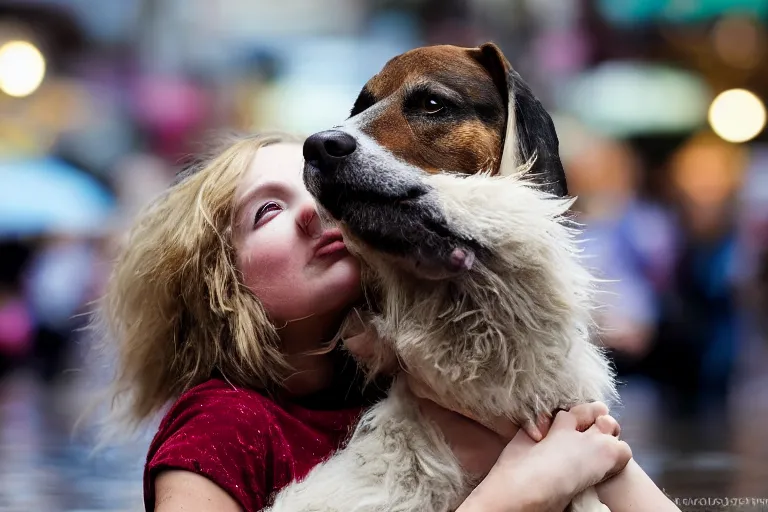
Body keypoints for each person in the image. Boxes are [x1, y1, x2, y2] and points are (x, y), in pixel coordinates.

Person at [100, 131, 680, 512]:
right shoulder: (221, 426)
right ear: (220, 284)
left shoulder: (421, 380)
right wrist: (515, 496)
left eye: (319, 191)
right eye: (268, 210)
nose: (313, 210)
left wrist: (598, 457)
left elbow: (592, 463)